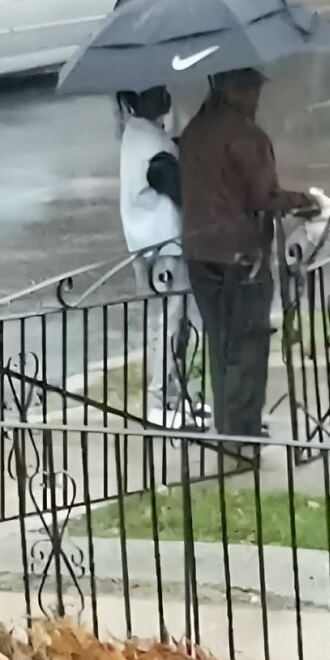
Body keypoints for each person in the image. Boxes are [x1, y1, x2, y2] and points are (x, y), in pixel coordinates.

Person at [178, 68, 318, 440]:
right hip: (241, 255)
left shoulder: (193, 132)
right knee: (247, 343)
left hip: (199, 251)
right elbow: (264, 196)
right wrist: (305, 202)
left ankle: (227, 427)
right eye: (252, 91)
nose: (257, 100)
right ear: (233, 92)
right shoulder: (248, 137)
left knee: (220, 340)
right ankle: (242, 432)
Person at [118, 85, 206, 429]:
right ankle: (159, 401)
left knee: (176, 321)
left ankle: (177, 395)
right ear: (133, 101)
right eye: (154, 92)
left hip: (148, 243)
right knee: (170, 322)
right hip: (164, 247)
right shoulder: (151, 143)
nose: (164, 95)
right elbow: (175, 184)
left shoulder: (138, 135)